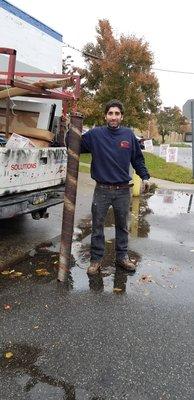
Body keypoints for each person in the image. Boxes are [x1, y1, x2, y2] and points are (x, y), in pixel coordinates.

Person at [80, 99, 150, 275]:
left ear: (122, 116)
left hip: (123, 190)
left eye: (117, 113)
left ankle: (122, 257)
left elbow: (137, 159)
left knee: (122, 227)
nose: (113, 116)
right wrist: (69, 127)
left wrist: (145, 177)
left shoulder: (128, 135)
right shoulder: (95, 135)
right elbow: (74, 143)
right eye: (110, 113)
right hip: (102, 189)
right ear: (105, 116)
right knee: (97, 226)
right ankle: (96, 260)